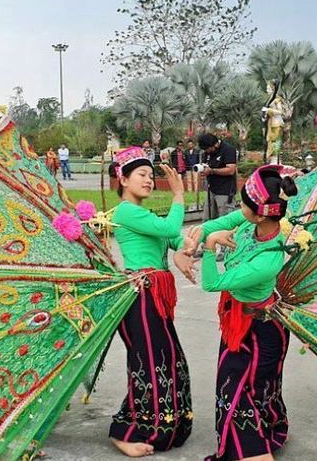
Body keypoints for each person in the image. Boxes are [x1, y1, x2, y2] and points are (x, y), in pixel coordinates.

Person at [185, 164, 297, 461]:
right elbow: (213, 225)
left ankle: (256, 451)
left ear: (262, 213)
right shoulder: (251, 223)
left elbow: (213, 283)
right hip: (239, 320)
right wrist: (191, 241)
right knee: (238, 382)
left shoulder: (270, 258)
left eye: (246, 203)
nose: (240, 207)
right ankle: (262, 438)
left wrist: (209, 248)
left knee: (249, 386)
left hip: (262, 330)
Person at [108, 146, 194, 457]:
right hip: (139, 296)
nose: (148, 180)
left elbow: (175, 238)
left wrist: (184, 251)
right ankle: (123, 432)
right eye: (142, 175)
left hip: (154, 296)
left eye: (150, 175)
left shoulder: (144, 214)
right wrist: (179, 195)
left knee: (169, 361)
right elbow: (172, 228)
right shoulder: (126, 212)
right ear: (124, 179)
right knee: (148, 364)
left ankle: (165, 426)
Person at [198, 133, 238, 220]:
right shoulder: (207, 153)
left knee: (225, 220)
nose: (207, 151)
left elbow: (231, 170)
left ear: (215, 144)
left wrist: (212, 171)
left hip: (225, 191)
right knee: (207, 219)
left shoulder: (228, 150)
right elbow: (206, 166)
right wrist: (203, 171)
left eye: (208, 149)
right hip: (211, 190)